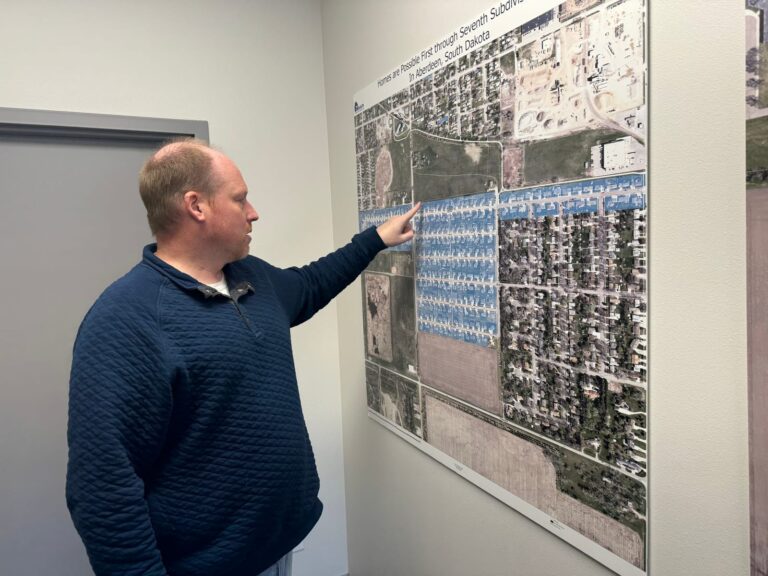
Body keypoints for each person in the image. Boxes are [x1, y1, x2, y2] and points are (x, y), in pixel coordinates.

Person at [66, 138, 419, 576]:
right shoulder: (126, 319)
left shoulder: (251, 279)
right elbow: (102, 488)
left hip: (277, 546)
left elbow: (310, 284)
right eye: (240, 198)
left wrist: (375, 240)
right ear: (197, 206)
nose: (253, 212)